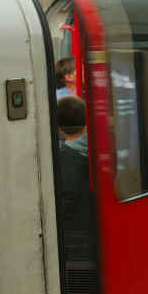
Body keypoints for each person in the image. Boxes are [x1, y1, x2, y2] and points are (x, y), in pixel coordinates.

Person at [56, 96, 95, 261]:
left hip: (75, 240)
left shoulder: (63, 158)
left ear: (59, 128)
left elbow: (65, 201)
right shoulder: (97, 147)